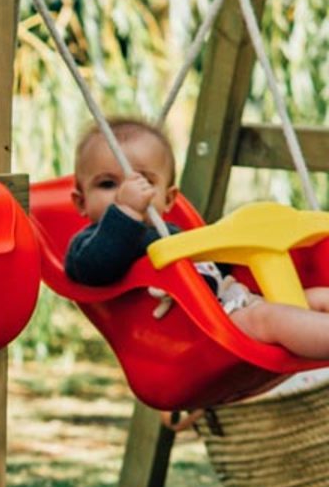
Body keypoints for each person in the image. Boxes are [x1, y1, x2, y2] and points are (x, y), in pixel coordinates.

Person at [66, 118, 329, 356]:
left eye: (144, 182)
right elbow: (95, 270)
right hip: (200, 334)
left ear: (169, 198)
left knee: (315, 298)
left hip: (232, 304)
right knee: (272, 319)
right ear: (81, 202)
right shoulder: (90, 242)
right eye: (107, 184)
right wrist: (125, 213)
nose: (127, 191)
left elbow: (218, 268)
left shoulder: (172, 234)